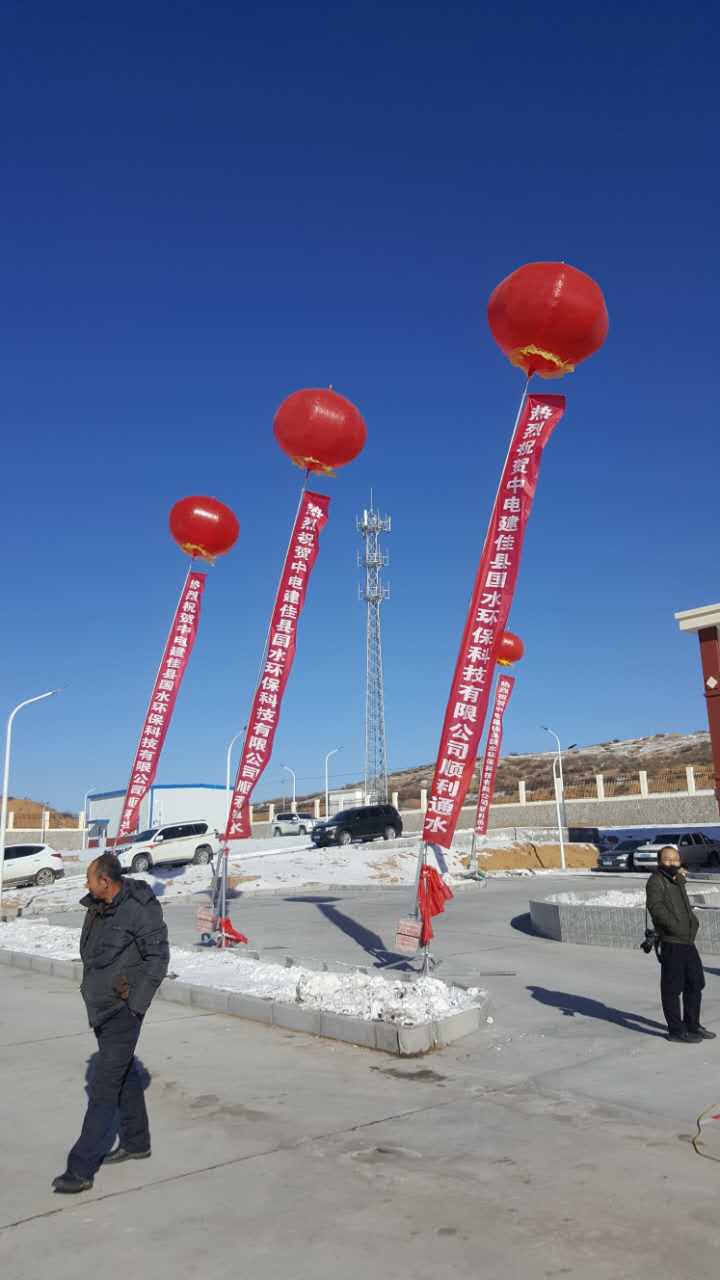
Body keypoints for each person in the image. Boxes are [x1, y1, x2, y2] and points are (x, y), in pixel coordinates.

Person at [52, 852, 169, 1193]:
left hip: (122, 1011)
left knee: (103, 1088)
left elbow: (158, 957)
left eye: (89, 878)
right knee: (124, 1075)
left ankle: (81, 1169)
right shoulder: (98, 906)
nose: (85, 884)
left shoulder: (138, 909)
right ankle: (136, 1142)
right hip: (101, 1007)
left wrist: (135, 1006)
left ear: (105, 881)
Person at [646, 844, 716, 1044]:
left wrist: (693, 923)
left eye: (675, 859)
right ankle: (676, 1030)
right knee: (672, 988)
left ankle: (692, 1025)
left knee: (695, 983)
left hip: (687, 940)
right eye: (667, 859)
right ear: (660, 861)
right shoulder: (656, 881)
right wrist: (675, 927)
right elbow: (656, 909)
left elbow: (685, 907)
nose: (672, 862)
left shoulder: (678, 880)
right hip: (671, 940)